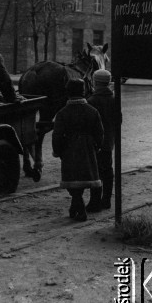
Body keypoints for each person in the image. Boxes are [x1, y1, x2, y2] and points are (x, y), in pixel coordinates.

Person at [52, 79, 103, 222]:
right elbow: (100, 133)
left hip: (69, 150)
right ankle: (75, 207)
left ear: (68, 93)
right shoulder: (92, 111)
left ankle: (79, 208)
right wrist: (96, 146)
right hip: (87, 149)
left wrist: (58, 151)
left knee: (71, 179)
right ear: (83, 92)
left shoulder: (62, 113)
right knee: (84, 178)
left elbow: (57, 135)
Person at [86, 69, 115, 212]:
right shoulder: (114, 99)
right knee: (108, 170)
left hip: (96, 143)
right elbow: (119, 120)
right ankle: (107, 200)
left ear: (95, 82)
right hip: (109, 141)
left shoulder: (92, 101)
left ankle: (95, 201)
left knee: (95, 172)